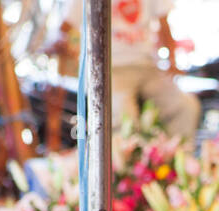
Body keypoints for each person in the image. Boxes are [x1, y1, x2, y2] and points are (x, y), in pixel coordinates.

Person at [58, 0, 200, 138]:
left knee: (186, 106)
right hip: (110, 69)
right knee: (125, 117)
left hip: (147, 67)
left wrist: (172, 63)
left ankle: (174, 157)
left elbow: (164, 23)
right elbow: (64, 29)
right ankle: (125, 159)